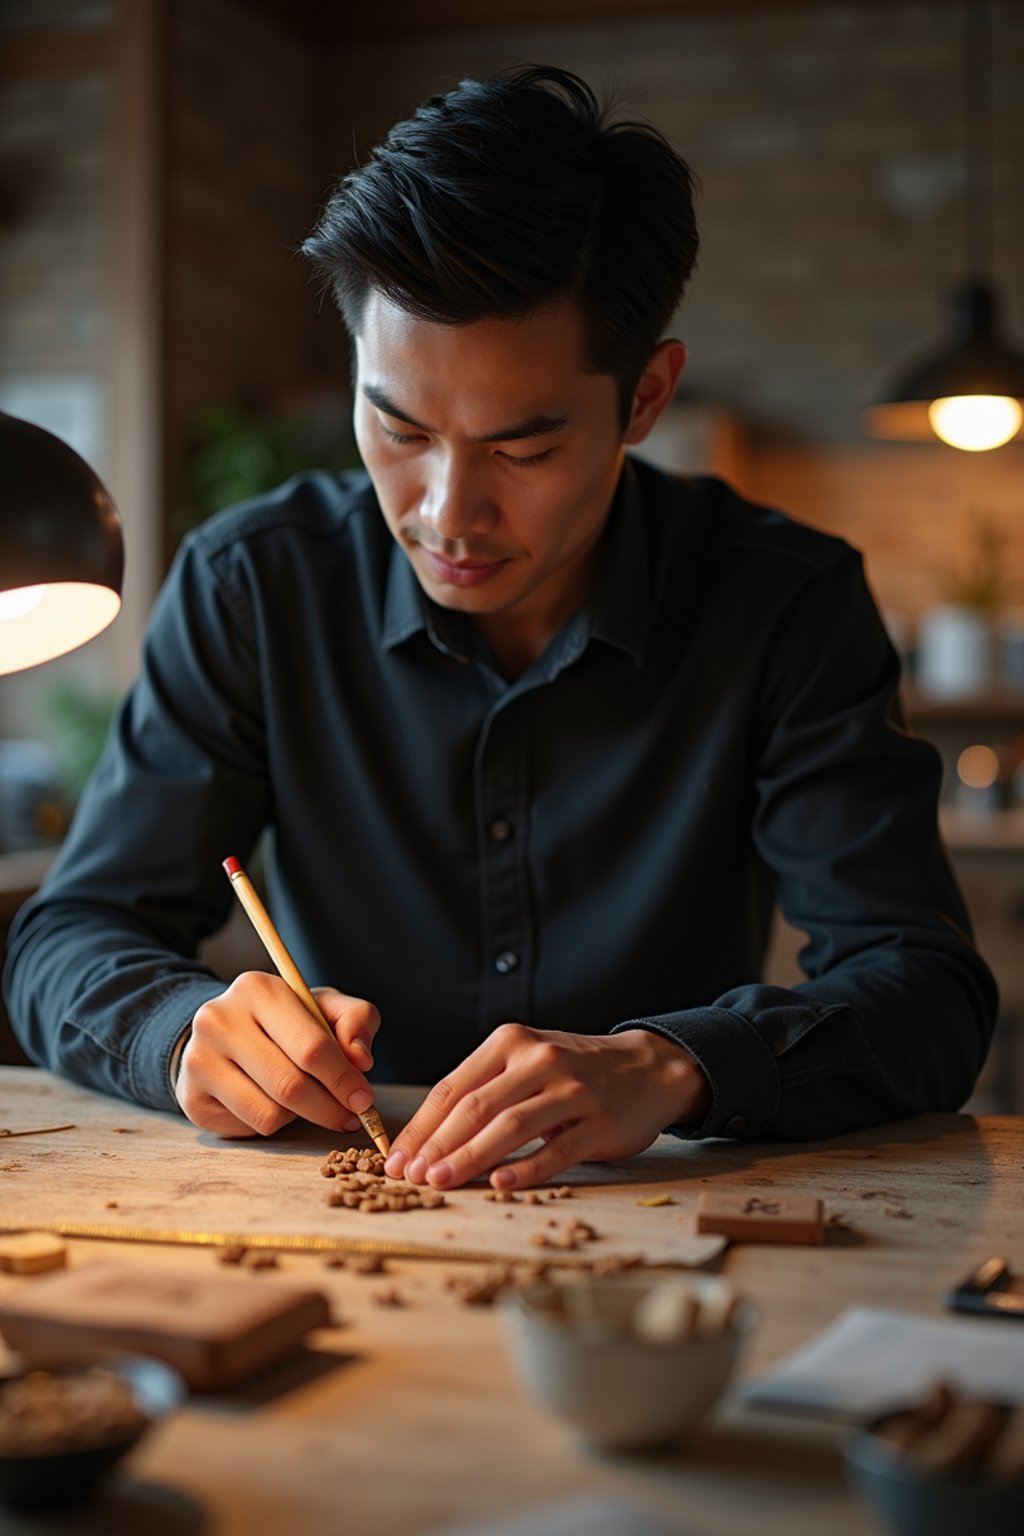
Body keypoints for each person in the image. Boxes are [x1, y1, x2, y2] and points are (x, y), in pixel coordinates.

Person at [4, 66, 997, 1193]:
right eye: (398, 427)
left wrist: (673, 1064)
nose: (445, 513)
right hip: (344, 1214)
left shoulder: (782, 604)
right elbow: (67, 937)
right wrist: (185, 1032)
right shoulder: (255, 585)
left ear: (645, 399)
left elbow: (926, 990)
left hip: (665, 1222)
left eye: (522, 451)